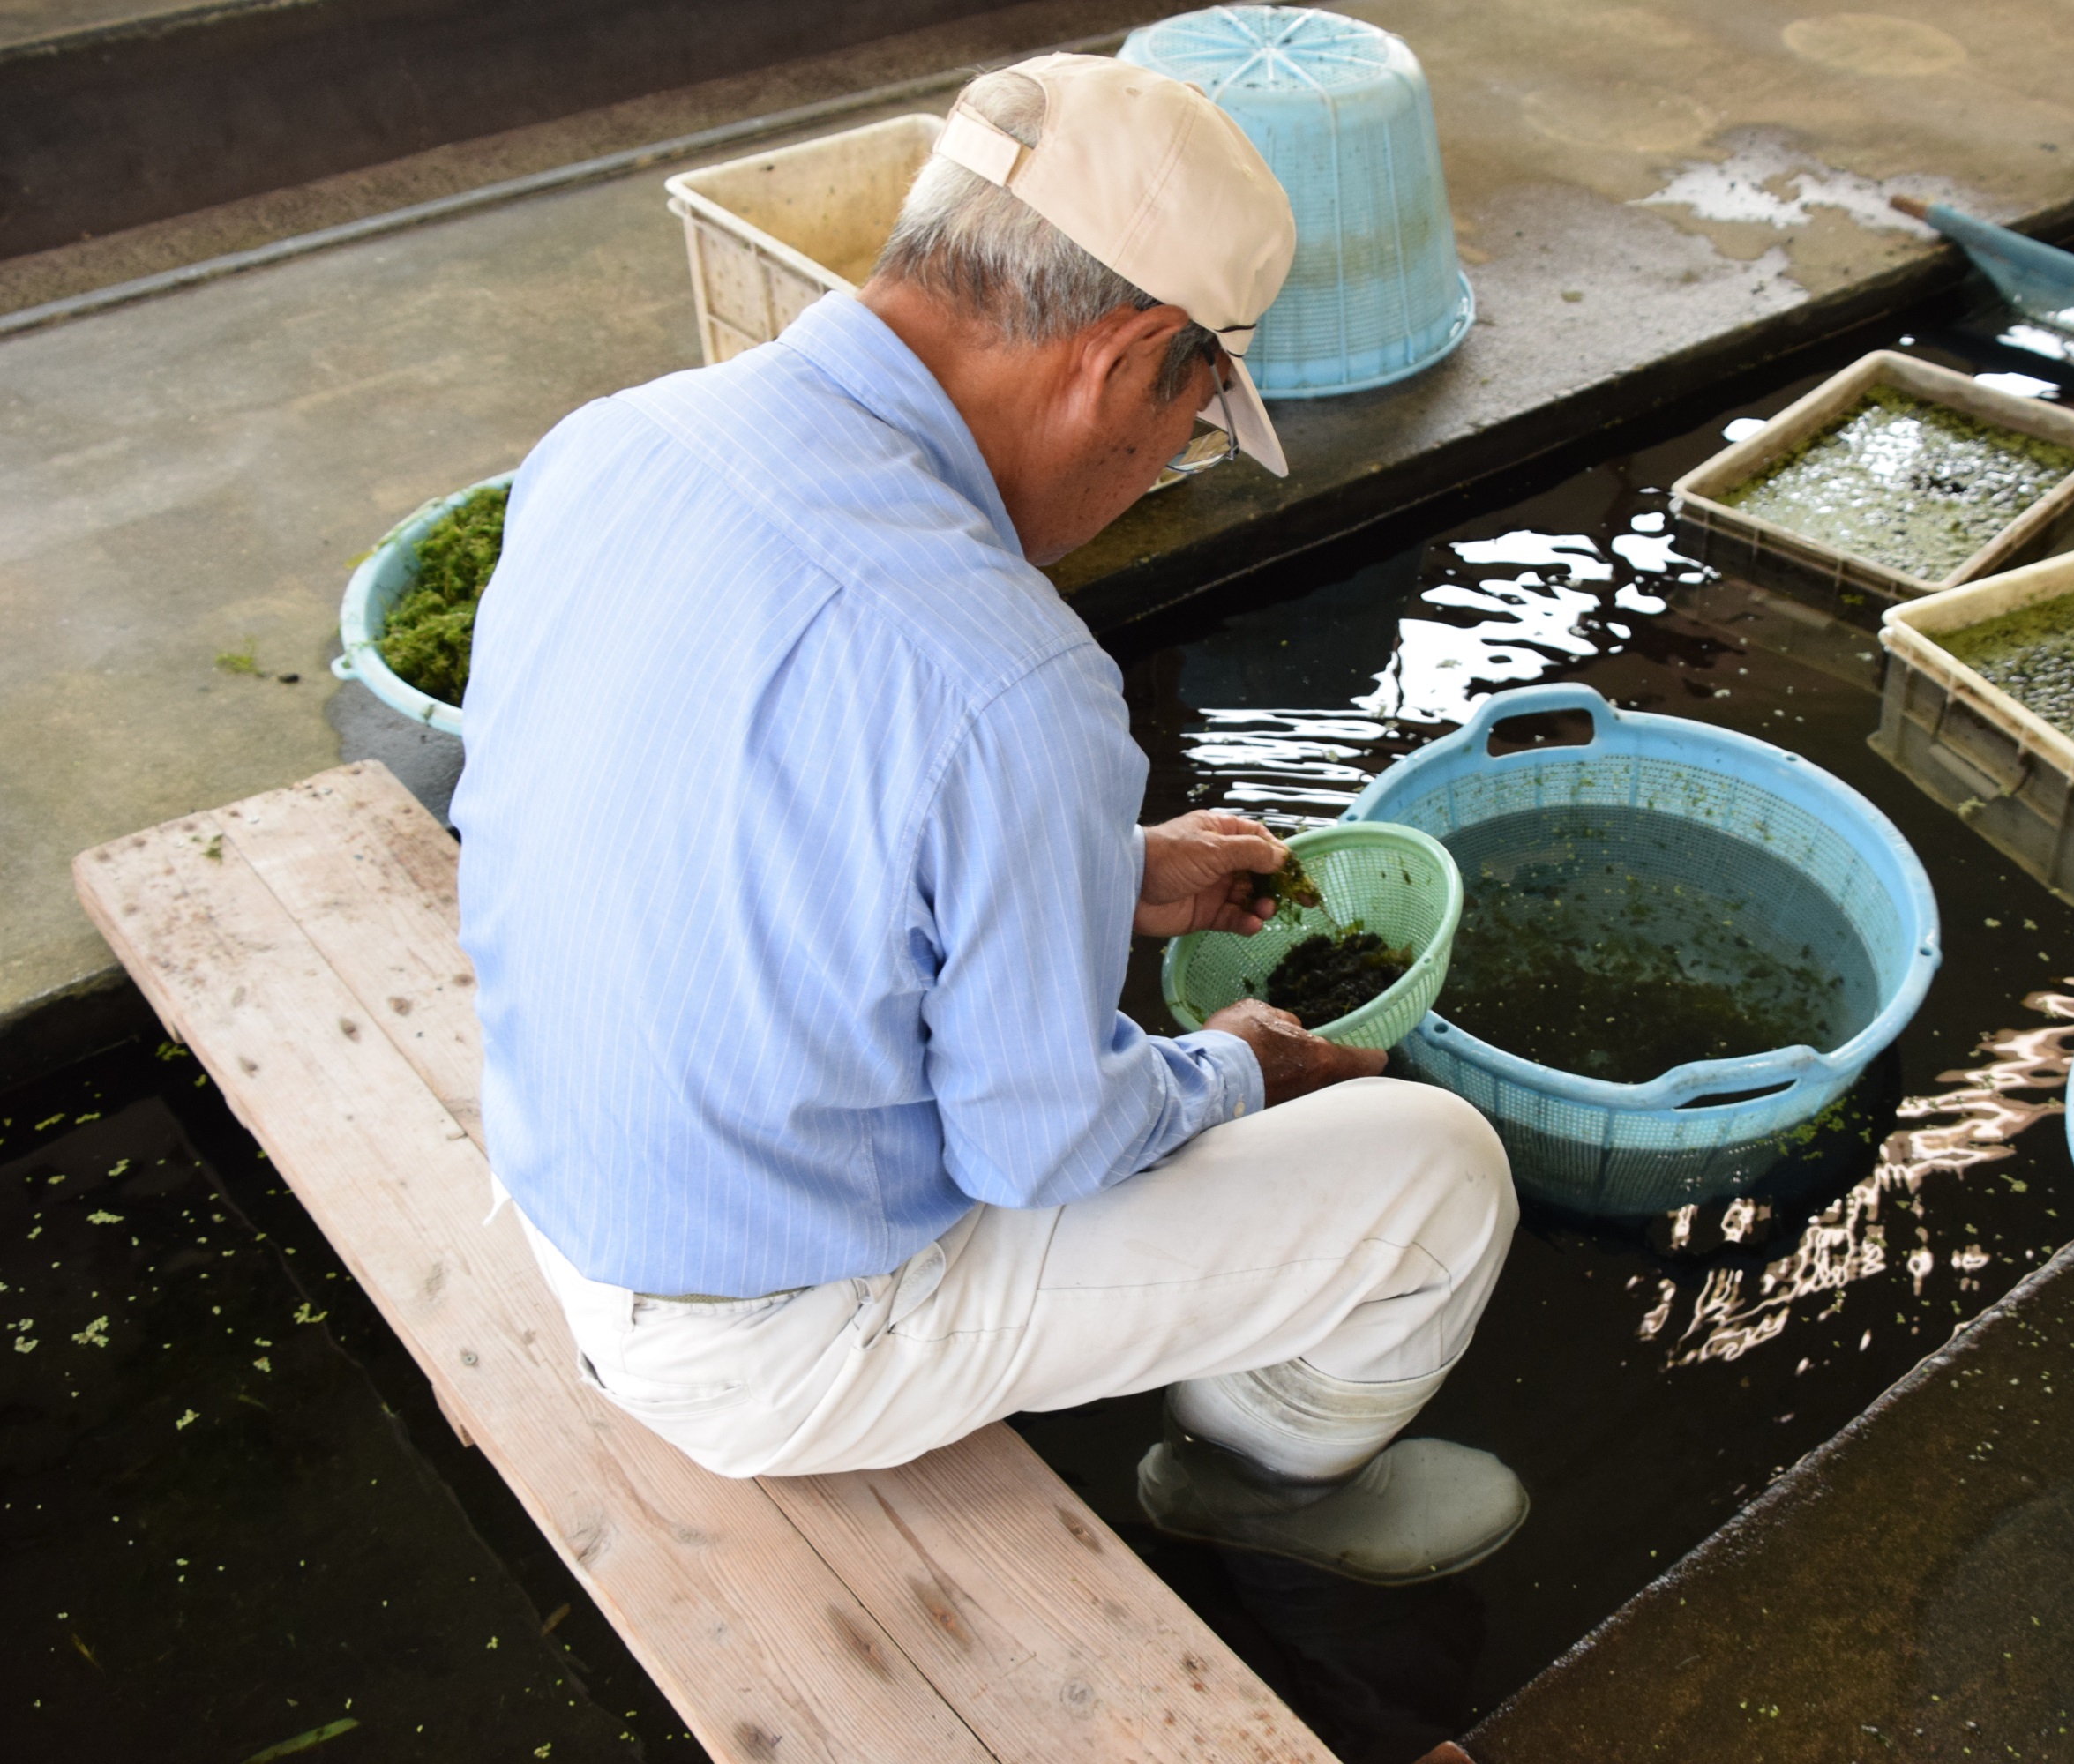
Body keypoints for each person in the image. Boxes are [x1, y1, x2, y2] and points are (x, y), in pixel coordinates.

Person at [450, 54, 1526, 1586]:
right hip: (767, 1334)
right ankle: (1257, 1491)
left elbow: (756, 823)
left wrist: (1115, 871)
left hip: (570, 1186)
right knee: (1435, 1172)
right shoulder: (1011, 677)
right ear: (1131, 358)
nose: (1162, 475)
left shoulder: (619, 440)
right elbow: (1042, 1141)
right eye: (1196, 428)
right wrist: (1238, 1067)